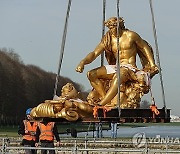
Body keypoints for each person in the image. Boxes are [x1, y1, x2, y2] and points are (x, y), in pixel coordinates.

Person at [76, 17, 159, 106]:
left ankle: (101, 104)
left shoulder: (131, 35)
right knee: (91, 74)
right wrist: (82, 62)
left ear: (119, 26)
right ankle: (105, 99)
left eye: (113, 27)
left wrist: (152, 64)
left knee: (119, 75)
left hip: (130, 67)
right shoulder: (108, 39)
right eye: (110, 27)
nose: (111, 30)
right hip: (116, 66)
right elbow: (94, 53)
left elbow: (144, 47)